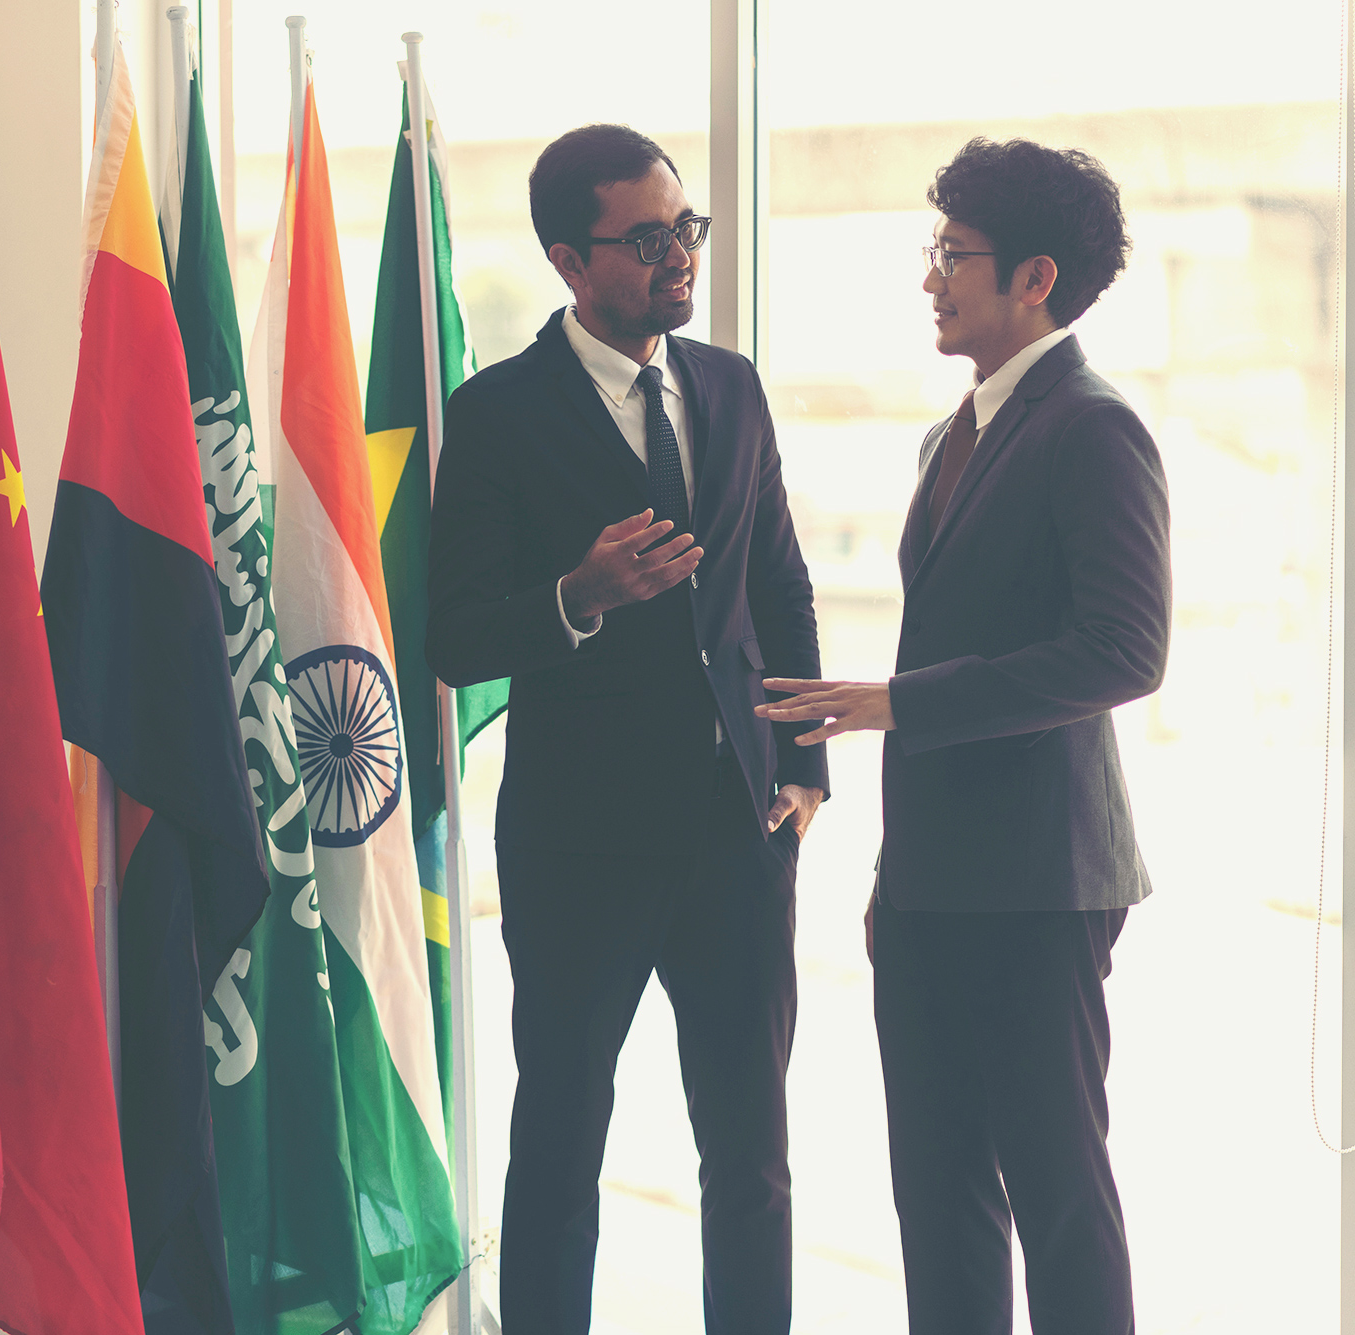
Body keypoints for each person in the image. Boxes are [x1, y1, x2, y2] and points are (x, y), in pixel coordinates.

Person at [757, 138, 1169, 1335]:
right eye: (931, 252)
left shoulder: (1090, 427)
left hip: (1040, 884)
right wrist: (898, 872)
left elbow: (1122, 654)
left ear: (1033, 278)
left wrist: (897, 699)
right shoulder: (950, 437)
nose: (930, 278)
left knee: (1055, 1193)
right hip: (937, 885)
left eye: (952, 255)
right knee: (933, 1196)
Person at [427, 123, 826, 1335]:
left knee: (750, 1161)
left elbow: (779, 587)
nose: (677, 257)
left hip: (735, 836)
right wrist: (576, 598)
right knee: (556, 1151)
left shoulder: (729, 386)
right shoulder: (492, 414)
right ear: (567, 259)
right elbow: (452, 637)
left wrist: (801, 768)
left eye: (684, 228)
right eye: (645, 239)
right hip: (578, 846)